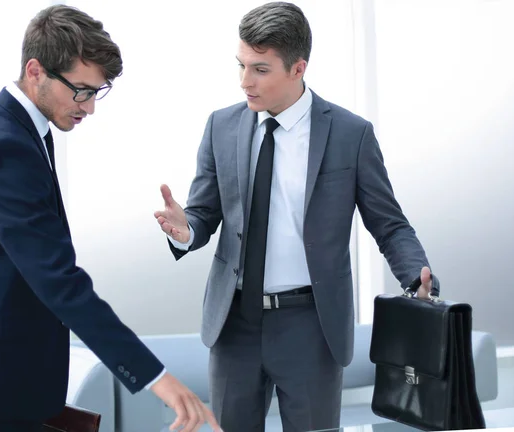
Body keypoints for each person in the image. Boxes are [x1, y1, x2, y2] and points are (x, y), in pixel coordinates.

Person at [0, 5, 219, 432]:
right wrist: (158, 379)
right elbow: (58, 280)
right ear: (35, 71)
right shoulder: (4, 146)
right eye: (81, 90)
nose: (89, 108)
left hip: (4, 372)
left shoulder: (12, 126)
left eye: (96, 92)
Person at [154, 2, 440, 432]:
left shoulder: (350, 134)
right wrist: (186, 229)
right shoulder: (221, 126)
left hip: (311, 324)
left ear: (298, 67)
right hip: (234, 325)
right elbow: (203, 213)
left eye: (260, 69)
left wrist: (416, 278)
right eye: (241, 65)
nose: (244, 81)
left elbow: (389, 223)